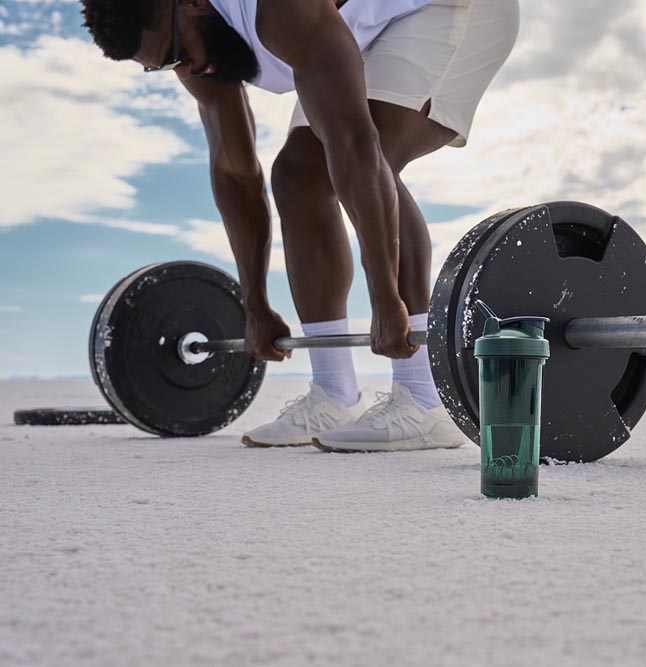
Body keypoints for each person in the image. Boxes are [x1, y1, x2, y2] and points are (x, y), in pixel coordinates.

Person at [80, 0, 519, 451]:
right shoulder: (197, 50)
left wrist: (387, 299)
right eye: (165, 66)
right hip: (363, 24)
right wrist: (254, 303)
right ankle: (334, 392)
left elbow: (355, 143)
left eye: (176, 53)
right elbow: (235, 172)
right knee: (296, 174)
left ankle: (423, 398)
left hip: (446, 8)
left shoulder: (281, 8)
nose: (184, 70)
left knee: (373, 152)